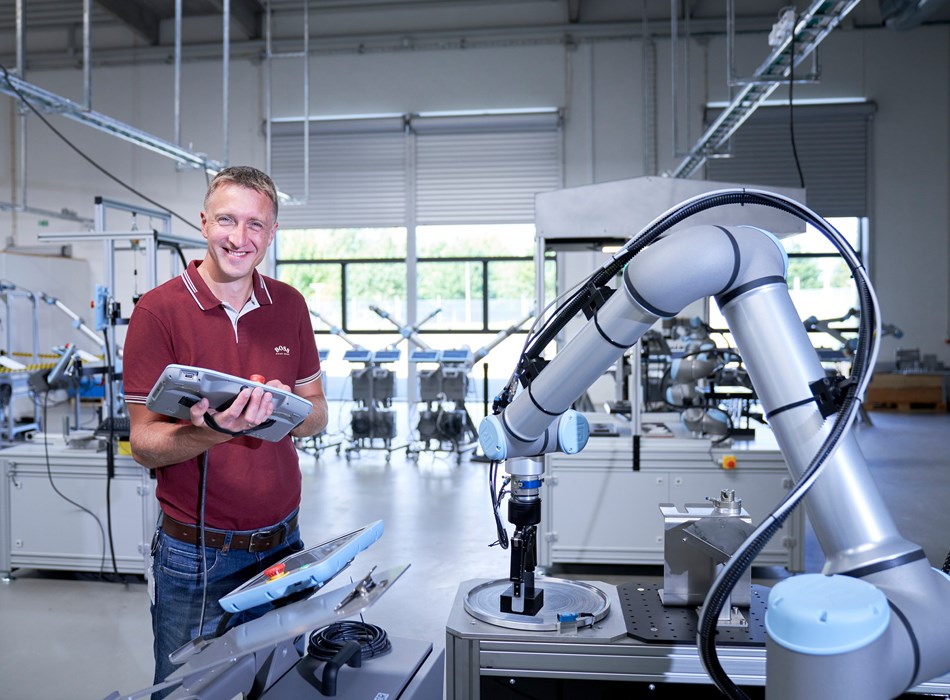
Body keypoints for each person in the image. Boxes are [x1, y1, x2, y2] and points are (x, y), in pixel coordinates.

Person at [123, 165, 328, 695]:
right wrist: (217, 429)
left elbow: (317, 414)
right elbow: (144, 445)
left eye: (255, 225)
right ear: (203, 223)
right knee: (186, 691)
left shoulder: (290, 306)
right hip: (197, 557)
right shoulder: (158, 311)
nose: (240, 239)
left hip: (285, 543)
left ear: (273, 231)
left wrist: (280, 411)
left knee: (281, 685)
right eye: (227, 221)